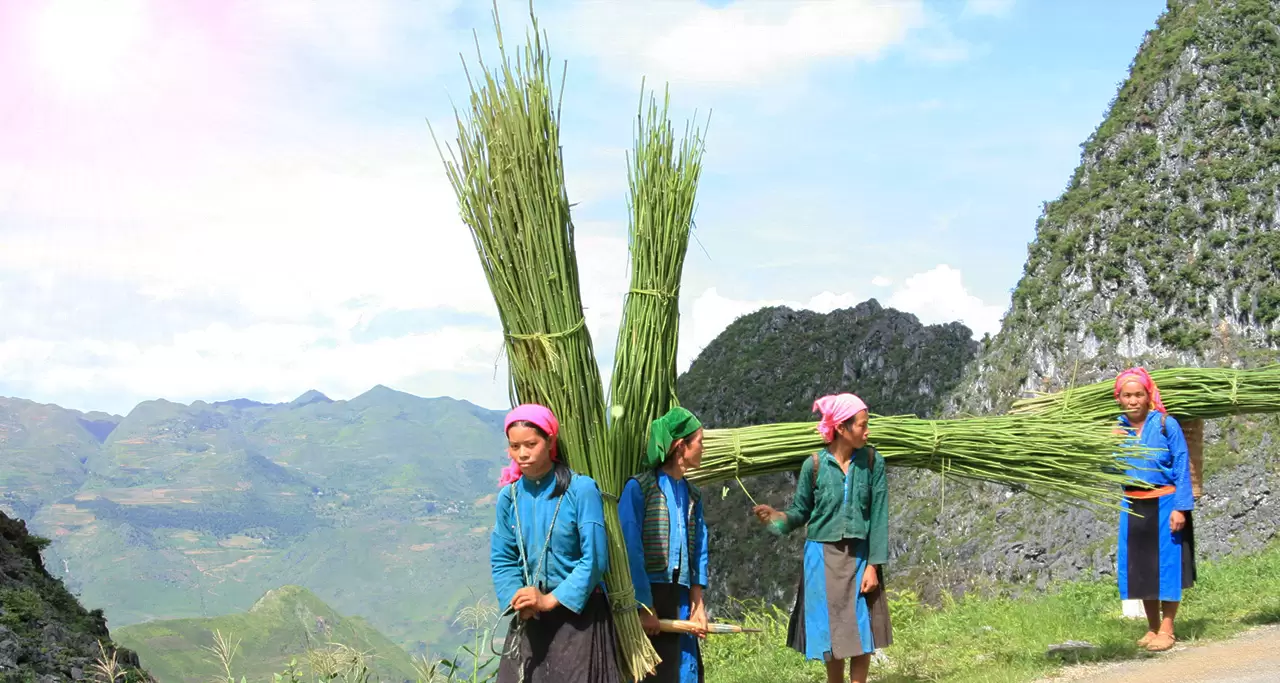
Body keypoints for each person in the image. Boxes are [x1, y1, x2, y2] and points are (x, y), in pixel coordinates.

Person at [752, 393, 891, 683]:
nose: (868, 431)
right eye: (862, 426)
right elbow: (801, 512)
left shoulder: (872, 461)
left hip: (860, 556)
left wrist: (873, 565)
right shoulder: (813, 465)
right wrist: (776, 518)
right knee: (831, 630)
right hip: (822, 557)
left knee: (861, 629)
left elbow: (879, 515)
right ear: (841, 428)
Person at [490, 404, 621, 683]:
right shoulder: (509, 497)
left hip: (578, 617)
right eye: (514, 446)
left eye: (531, 444)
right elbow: (503, 557)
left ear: (550, 441)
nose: (522, 454)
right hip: (530, 617)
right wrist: (519, 600)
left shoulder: (580, 490)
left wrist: (549, 600)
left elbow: (595, 558)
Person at [619, 406, 710, 683]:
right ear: (681, 446)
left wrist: (698, 604)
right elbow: (630, 549)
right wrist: (644, 607)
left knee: (684, 671)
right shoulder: (639, 488)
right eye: (700, 443)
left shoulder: (693, 495)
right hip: (649, 594)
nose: (703, 449)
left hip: (681, 598)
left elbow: (700, 552)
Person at [1114, 367, 1196, 653]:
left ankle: (1168, 628)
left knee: (1167, 566)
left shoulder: (1165, 423)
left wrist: (1181, 509)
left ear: (1149, 396)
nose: (1133, 400)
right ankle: (1151, 627)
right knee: (1141, 566)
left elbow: (1182, 465)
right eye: (1127, 395)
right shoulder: (1117, 429)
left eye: (1139, 394)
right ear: (1119, 399)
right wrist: (1107, 445)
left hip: (1165, 502)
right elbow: (1109, 470)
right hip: (1132, 504)